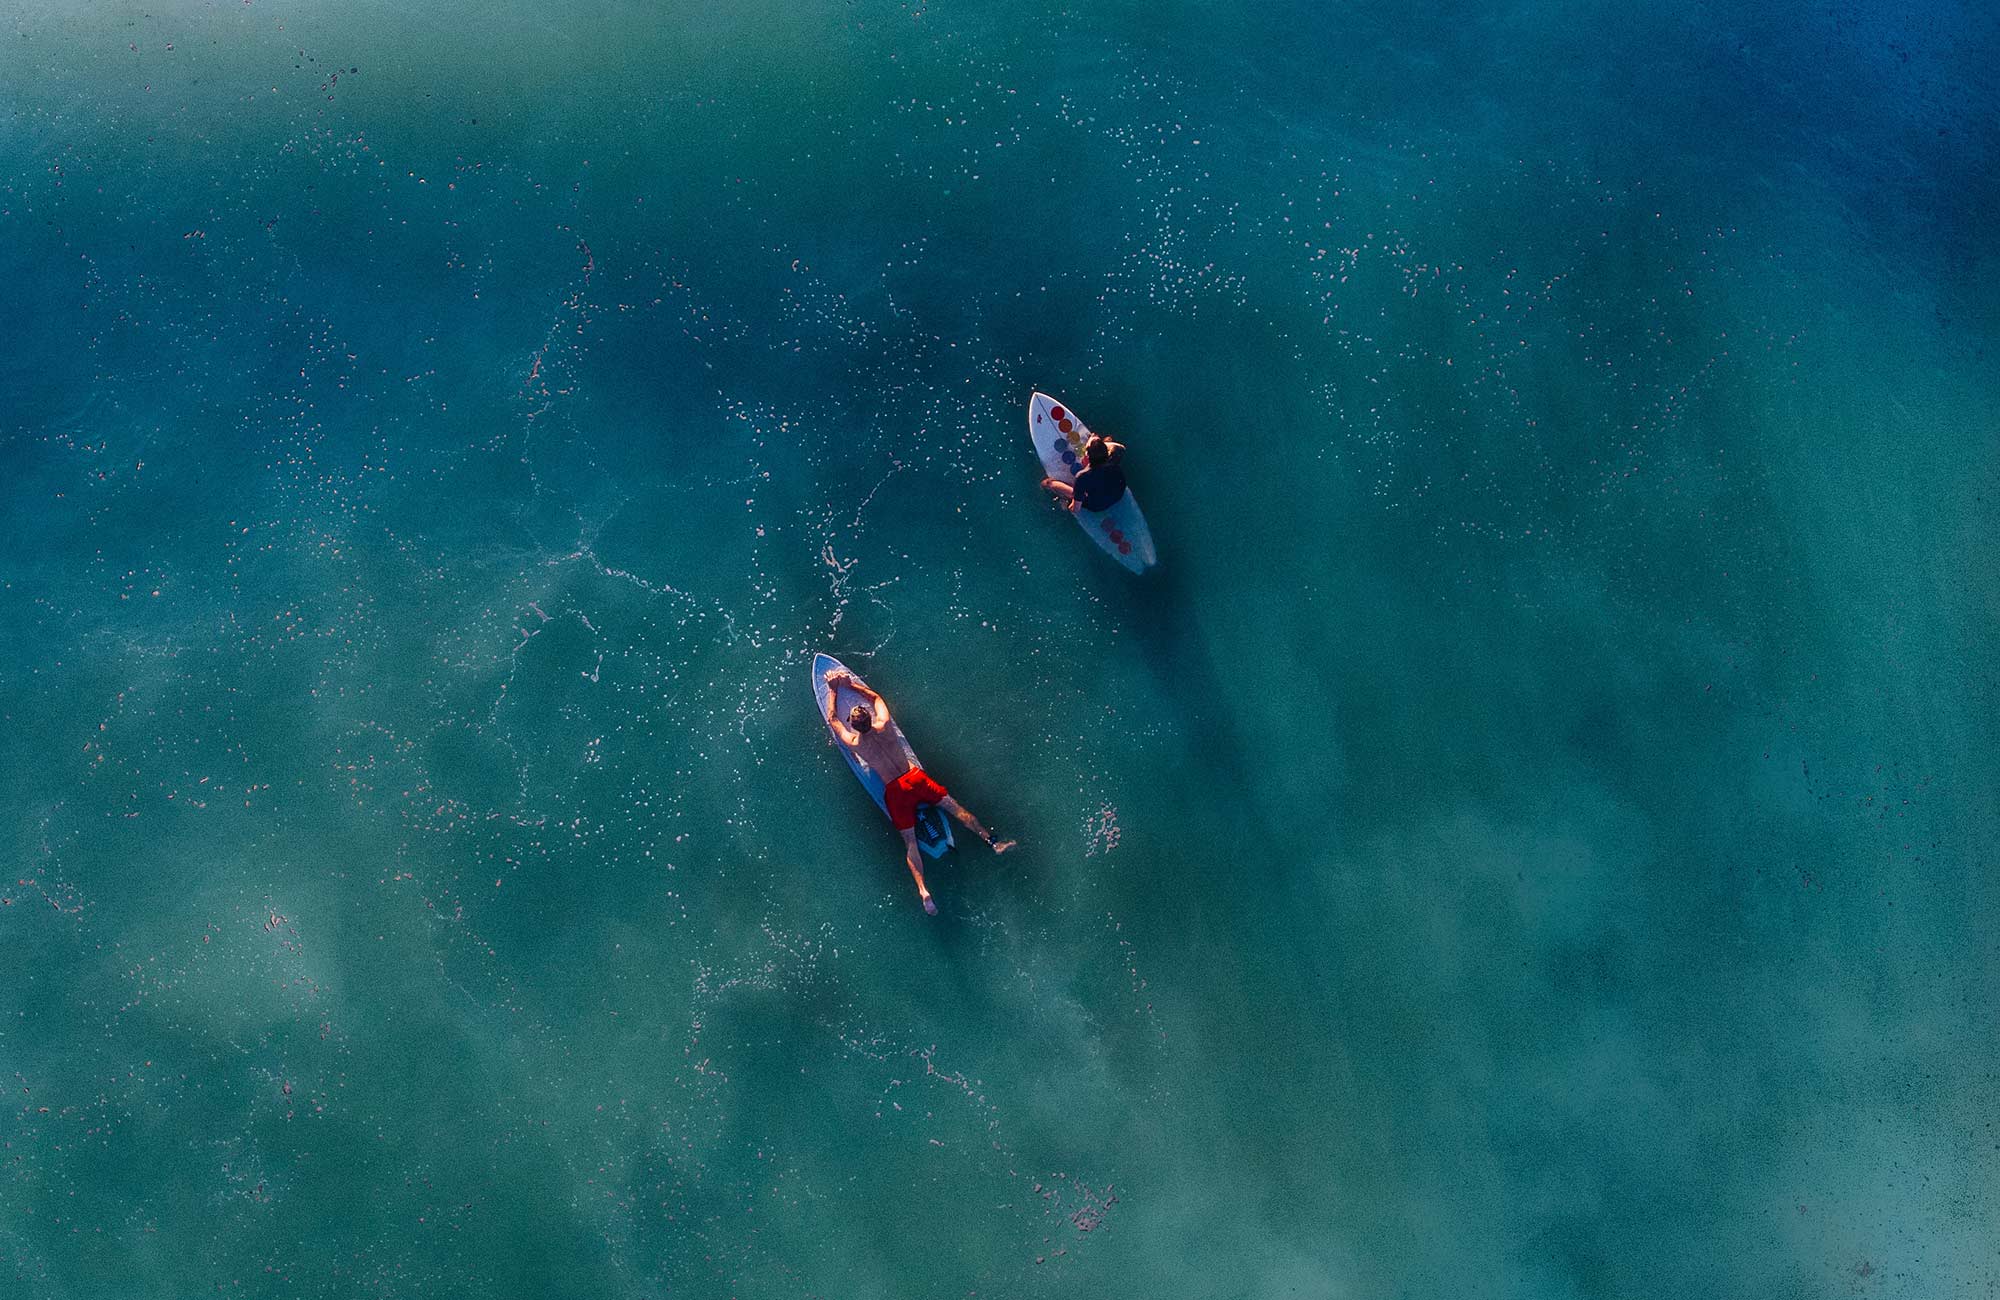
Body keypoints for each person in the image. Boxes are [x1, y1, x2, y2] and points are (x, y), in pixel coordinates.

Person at [823, 667, 1014, 914]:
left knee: (910, 841)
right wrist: (851, 686)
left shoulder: (854, 742)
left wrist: (833, 691)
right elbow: (876, 698)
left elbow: (832, 720)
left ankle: (924, 891)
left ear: (855, 726)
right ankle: (992, 841)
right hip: (915, 778)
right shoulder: (884, 724)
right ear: (869, 718)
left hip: (894, 791)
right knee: (954, 807)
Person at [1041, 433, 1128, 513]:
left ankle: (1048, 485)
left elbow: (1076, 509)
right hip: (1119, 493)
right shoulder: (1113, 459)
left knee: (1049, 484)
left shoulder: (1083, 476)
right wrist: (1095, 440)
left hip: (1097, 505)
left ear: (1087, 455)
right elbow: (1120, 447)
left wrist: (1071, 506)